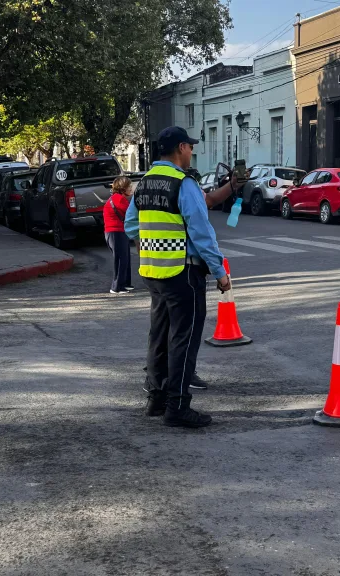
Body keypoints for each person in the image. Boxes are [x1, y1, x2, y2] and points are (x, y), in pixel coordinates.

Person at [125, 126, 236, 429]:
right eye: (190, 147)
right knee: (183, 340)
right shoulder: (183, 183)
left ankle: (156, 399)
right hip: (183, 272)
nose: (192, 153)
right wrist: (220, 274)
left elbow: (131, 226)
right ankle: (178, 405)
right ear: (181, 148)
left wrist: (151, 244)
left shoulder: (144, 183)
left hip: (152, 272)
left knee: (158, 335)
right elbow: (202, 233)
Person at [103, 176, 134, 294]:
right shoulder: (119, 199)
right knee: (121, 259)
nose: (131, 188)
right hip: (116, 232)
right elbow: (130, 213)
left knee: (124, 258)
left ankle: (125, 283)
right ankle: (117, 287)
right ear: (122, 189)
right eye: (128, 186)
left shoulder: (116, 198)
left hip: (116, 232)